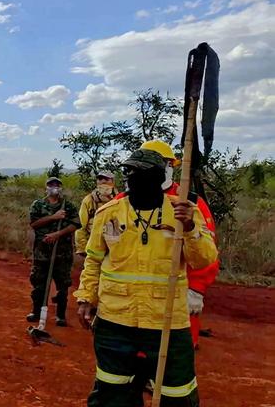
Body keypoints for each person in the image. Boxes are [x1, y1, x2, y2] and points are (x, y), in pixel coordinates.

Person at [74, 148, 218, 406]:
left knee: (178, 396)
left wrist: (190, 229)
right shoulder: (109, 212)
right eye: (130, 172)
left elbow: (204, 259)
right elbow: (93, 261)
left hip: (167, 322)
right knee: (112, 393)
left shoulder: (184, 211)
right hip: (115, 320)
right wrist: (86, 297)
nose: (133, 179)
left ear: (159, 178)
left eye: (142, 174)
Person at [140, 140, 220, 348]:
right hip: (136, 300)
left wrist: (196, 288)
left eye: (160, 163)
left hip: (176, 299)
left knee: (175, 360)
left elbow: (206, 249)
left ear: (170, 166)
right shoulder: (124, 200)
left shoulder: (190, 203)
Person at [28, 177, 81, 326]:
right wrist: (54, 217)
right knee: (39, 284)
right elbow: (34, 224)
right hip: (42, 252)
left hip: (62, 252)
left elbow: (76, 224)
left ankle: (60, 316)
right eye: (51, 185)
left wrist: (57, 234)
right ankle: (36, 311)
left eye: (57, 185)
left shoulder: (68, 205)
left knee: (63, 285)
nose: (54, 188)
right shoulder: (38, 205)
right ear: (46, 188)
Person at [75, 170, 117, 260]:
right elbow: (81, 227)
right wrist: (82, 249)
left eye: (106, 179)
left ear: (113, 182)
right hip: (94, 248)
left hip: (115, 248)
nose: (103, 181)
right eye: (100, 179)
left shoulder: (120, 200)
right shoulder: (88, 200)